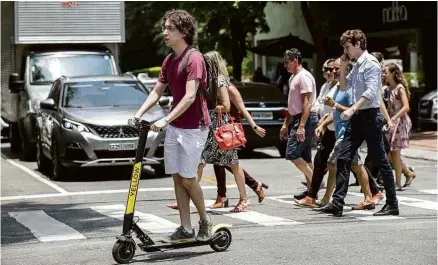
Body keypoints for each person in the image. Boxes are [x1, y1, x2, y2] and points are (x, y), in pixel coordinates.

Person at [132, 9, 212, 242]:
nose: (165, 32)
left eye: (170, 29)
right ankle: (185, 228)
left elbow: (189, 96)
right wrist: (138, 114)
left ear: (184, 31)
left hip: (194, 127)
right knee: (177, 177)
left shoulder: (194, 58)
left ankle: (205, 221)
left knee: (188, 178)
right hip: (176, 126)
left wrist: (165, 119)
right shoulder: (169, 60)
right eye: (164, 28)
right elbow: (157, 90)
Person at [319, 29, 399, 217]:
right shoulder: (356, 64)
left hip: (370, 117)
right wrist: (345, 65)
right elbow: (345, 86)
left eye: (347, 46)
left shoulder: (370, 63)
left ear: (357, 44)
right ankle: (337, 203)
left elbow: (372, 92)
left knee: (380, 160)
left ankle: (392, 203)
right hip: (357, 118)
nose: (345, 50)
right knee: (343, 158)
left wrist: (352, 108)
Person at [280, 48, 318, 200]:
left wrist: (301, 126)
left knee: (292, 153)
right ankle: (311, 193)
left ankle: (315, 184)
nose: (285, 65)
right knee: (305, 155)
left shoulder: (304, 77)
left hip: (305, 118)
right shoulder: (293, 77)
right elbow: (292, 105)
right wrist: (285, 124)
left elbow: (307, 103)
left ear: (295, 60)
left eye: (287, 62)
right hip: (297, 118)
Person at [383, 63, 414, 189]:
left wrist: (395, 117)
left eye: (385, 72)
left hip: (400, 122)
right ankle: (408, 173)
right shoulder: (388, 88)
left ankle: (398, 183)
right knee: (390, 153)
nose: (383, 74)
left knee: (395, 152)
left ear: (393, 73)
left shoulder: (399, 88)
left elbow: (406, 107)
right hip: (392, 122)